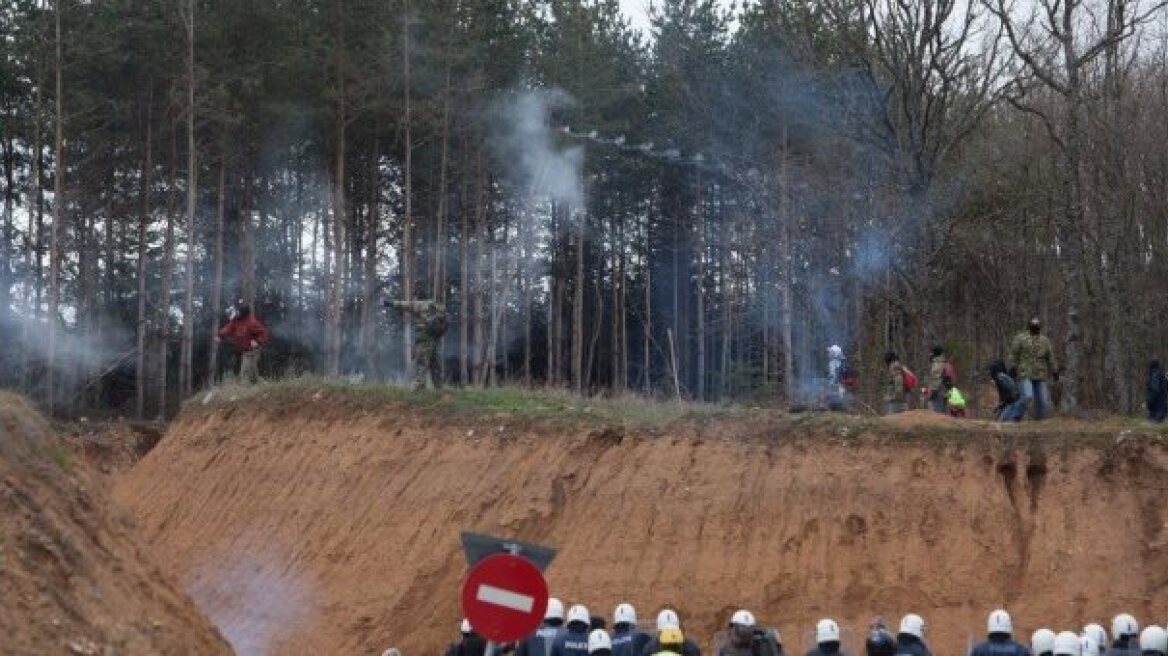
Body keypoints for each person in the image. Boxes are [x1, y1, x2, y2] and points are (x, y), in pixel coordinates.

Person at [387, 297, 449, 390]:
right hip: (433, 340)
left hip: (425, 339)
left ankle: (420, 385)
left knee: (423, 363)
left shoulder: (421, 305)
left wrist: (391, 303)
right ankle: (438, 387)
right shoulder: (439, 307)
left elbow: (405, 305)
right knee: (434, 364)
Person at [1004, 317, 1056, 421]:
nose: (1035, 328)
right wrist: (1012, 367)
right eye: (1033, 326)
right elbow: (1013, 354)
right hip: (1025, 373)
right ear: (1029, 326)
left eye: (1037, 326)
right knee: (1027, 396)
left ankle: (1039, 422)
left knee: (1043, 401)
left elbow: (1050, 357)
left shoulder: (1044, 341)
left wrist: (1055, 370)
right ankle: (1012, 418)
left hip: (1040, 374)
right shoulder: (1021, 338)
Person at [216, 302, 270, 384]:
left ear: (243, 313)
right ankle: (264, 386)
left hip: (252, 350)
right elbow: (228, 329)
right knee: (253, 374)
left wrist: (257, 341)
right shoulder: (235, 321)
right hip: (244, 350)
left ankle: (242, 389)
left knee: (244, 372)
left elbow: (264, 333)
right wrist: (220, 336)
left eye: (237, 312)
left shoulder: (251, 322)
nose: (235, 313)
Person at [927, 346, 950, 413]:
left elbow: (935, 380)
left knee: (937, 414)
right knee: (943, 413)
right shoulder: (944, 362)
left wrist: (931, 391)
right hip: (944, 391)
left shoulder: (936, 365)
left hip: (937, 391)